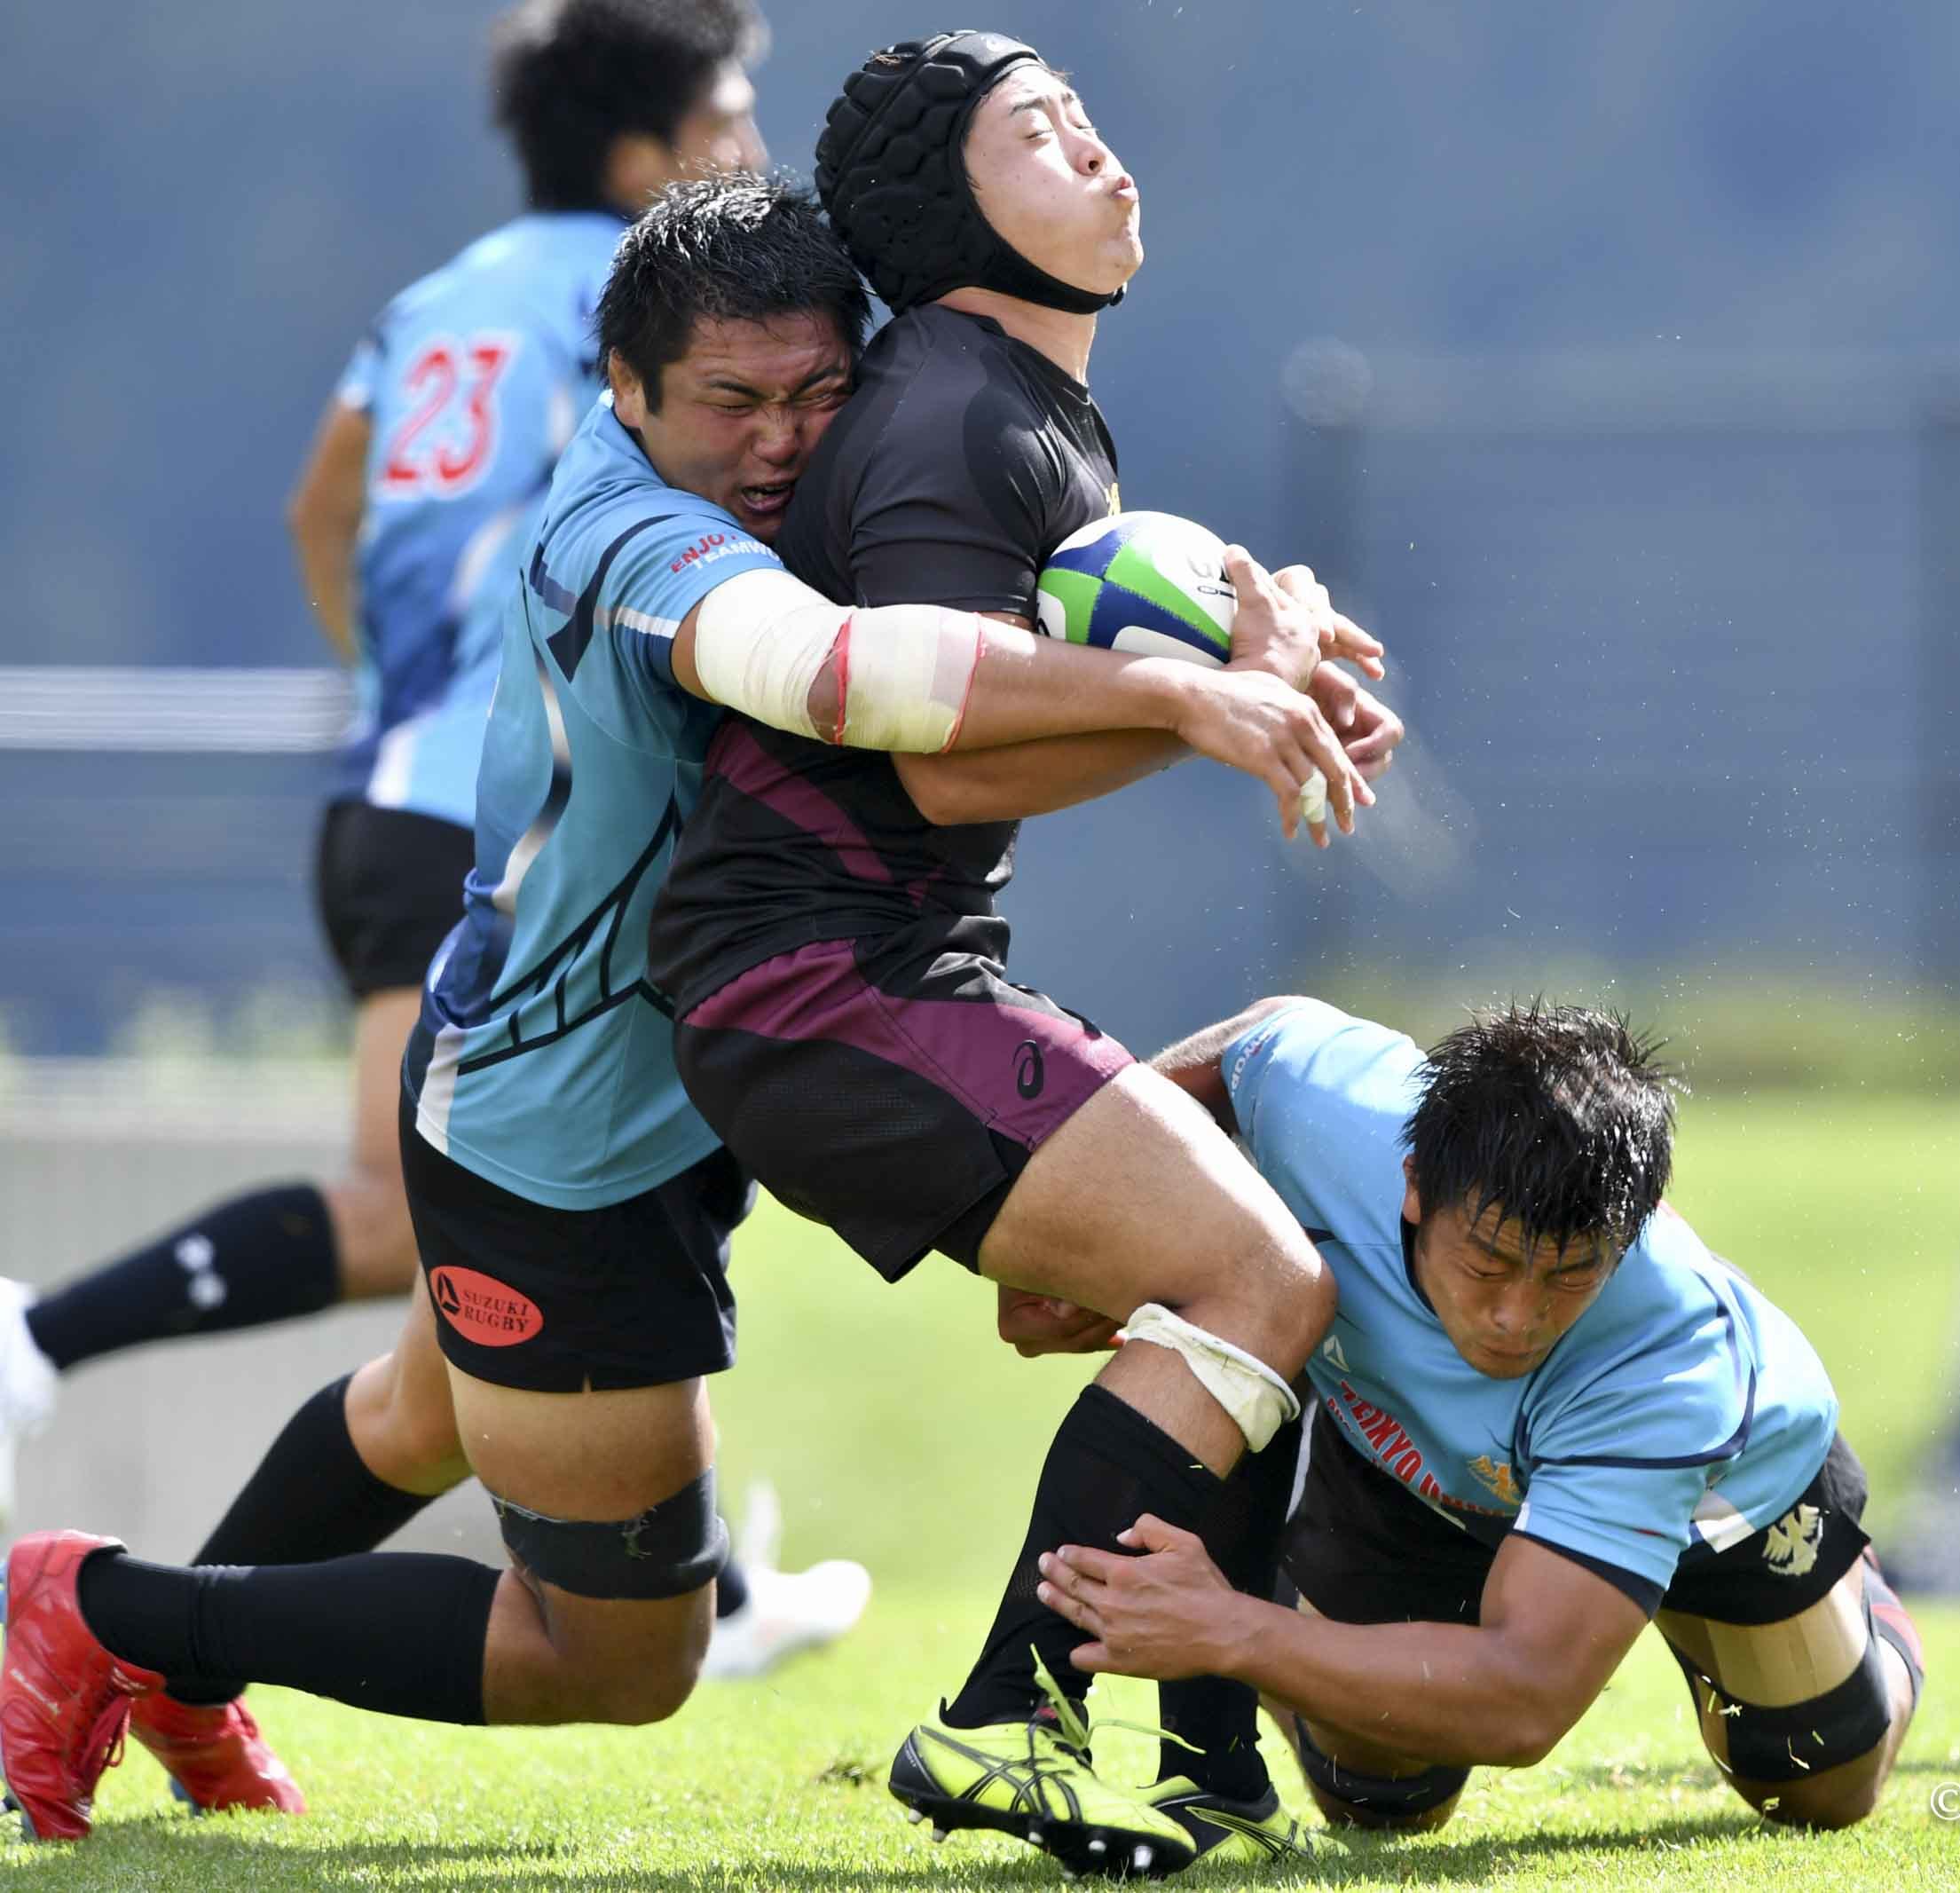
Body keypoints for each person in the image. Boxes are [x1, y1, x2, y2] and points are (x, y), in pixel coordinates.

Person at [0, 173, 1361, 1846]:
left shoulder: (761, 478)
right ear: (625, 390)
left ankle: (170, 1679)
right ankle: (100, 1608)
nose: (781, 440)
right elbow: (848, 679)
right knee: (619, 1651)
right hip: (558, 1134)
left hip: (619, 1091)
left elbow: (1029, 583)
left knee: (420, 1409)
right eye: (730, 402)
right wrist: (1179, 688)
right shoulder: (634, 538)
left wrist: (1233, 602)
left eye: (816, 394)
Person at [0, 0, 860, 1701]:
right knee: (448, 1208)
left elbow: (328, 502)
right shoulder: (655, 311)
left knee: (435, 1357)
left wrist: (394, 678)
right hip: (502, 820)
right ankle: (43, 1364)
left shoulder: (438, 295)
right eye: (731, 114)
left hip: (398, 785)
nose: (751, 145)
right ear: (646, 156)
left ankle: (178, 1658)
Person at [643, 33, 1403, 1874]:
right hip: (819, 980)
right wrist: (1210, 709)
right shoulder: (950, 414)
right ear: (948, 204)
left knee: (1215, 1277)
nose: (1104, 157)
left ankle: (1205, 1763)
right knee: (1262, 1282)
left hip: (889, 967)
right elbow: (937, 742)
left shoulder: (1017, 406)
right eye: (1045, 135)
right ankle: (1004, 1721)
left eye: (1090, 120)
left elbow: (1065, 685)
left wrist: (1254, 685)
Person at [1031, 997, 1924, 1832]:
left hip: (1716, 1495)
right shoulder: (1328, 1111)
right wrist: (1063, 1213)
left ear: (1635, 1223)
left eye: (1570, 1273)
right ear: (1413, 1184)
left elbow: (1526, 1697)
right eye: (1487, 1264)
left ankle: (1866, 1613)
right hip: (1410, 1463)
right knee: (1377, 1797)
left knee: (1813, 1787)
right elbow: (1261, 1037)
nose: (1515, 1317)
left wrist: (1233, 1631)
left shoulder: (1666, 1366)